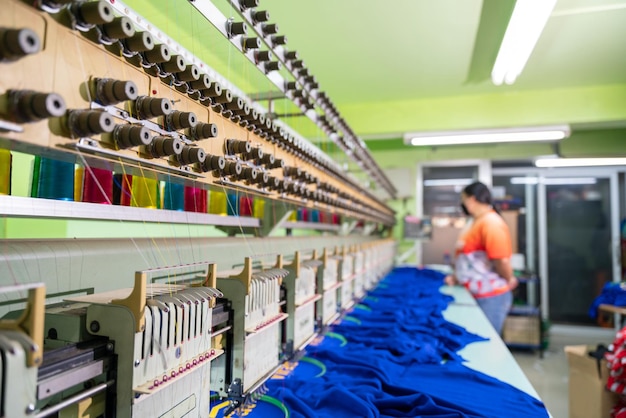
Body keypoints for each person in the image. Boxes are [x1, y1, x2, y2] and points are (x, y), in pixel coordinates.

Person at [444, 181, 518, 334]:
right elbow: (471, 261)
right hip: (477, 293)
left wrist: (509, 278)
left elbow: (501, 260)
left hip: (491, 296)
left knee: (485, 342)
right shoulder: (473, 222)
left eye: (463, 199)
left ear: (471, 199)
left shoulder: (491, 223)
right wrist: (458, 277)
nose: (462, 203)